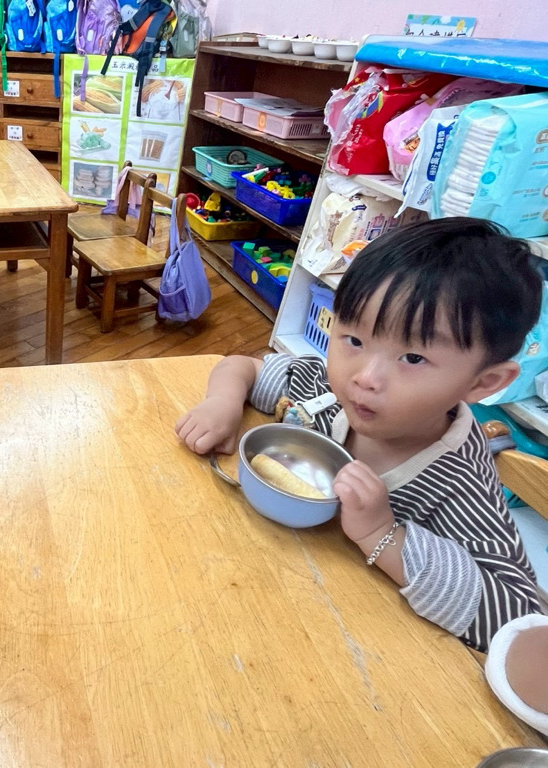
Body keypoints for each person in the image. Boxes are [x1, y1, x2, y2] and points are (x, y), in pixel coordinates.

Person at [176, 217, 545, 652]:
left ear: (484, 383)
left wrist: (381, 534)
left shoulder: (459, 483)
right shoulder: (329, 396)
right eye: (353, 339)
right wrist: (222, 402)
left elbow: (516, 618)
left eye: (412, 357)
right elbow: (245, 367)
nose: (365, 377)